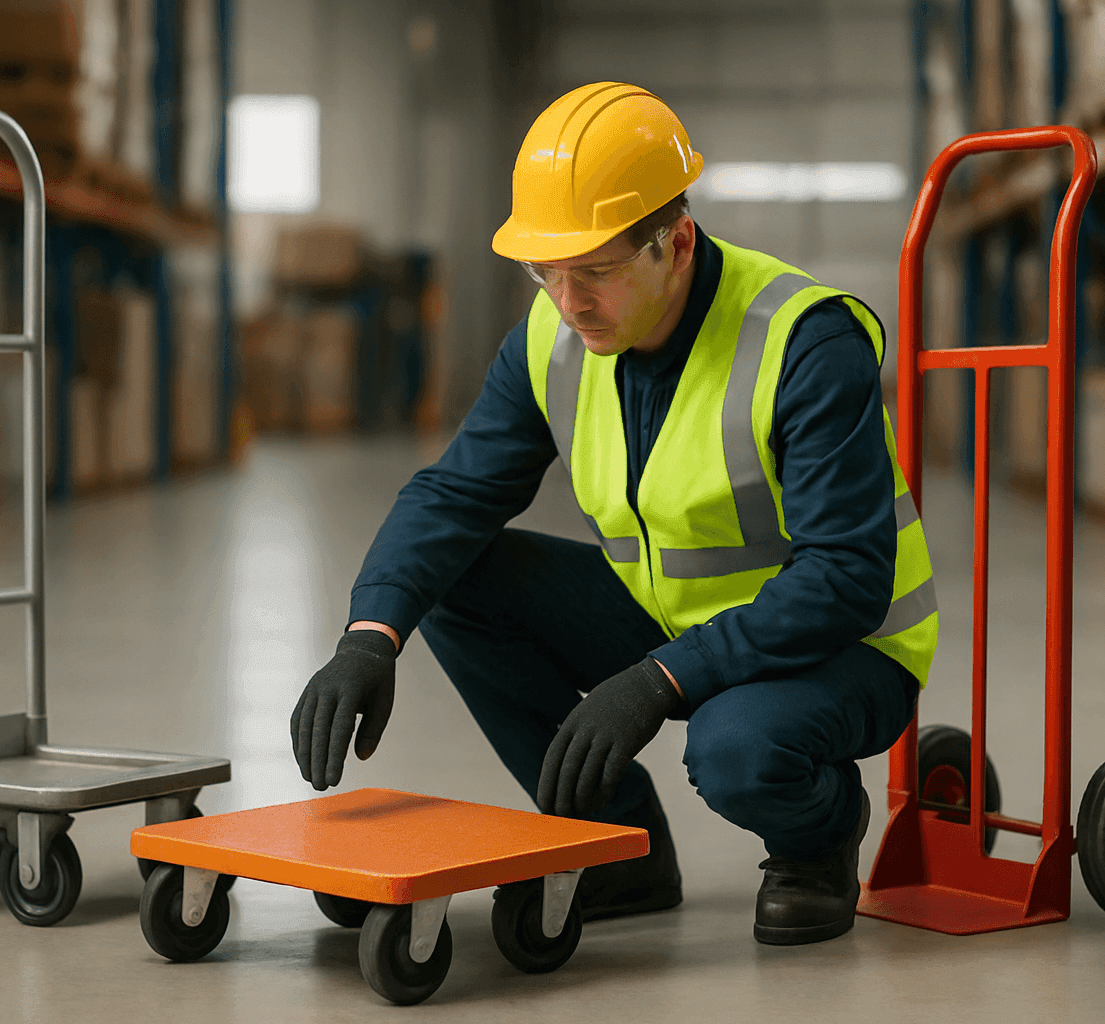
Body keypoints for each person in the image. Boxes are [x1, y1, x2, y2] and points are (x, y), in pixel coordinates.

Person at [289, 81, 937, 946]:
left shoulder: (804, 342)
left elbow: (847, 579)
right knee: (454, 580)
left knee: (733, 748)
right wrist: (370, 634)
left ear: (674, 242)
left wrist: (659, 680)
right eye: (543, 271)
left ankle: (817, 838)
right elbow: (455, 493)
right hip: (668, 615)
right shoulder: (552, 338)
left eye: (593, 271)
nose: (567, 300)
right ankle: (620, 848)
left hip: (836, 646)